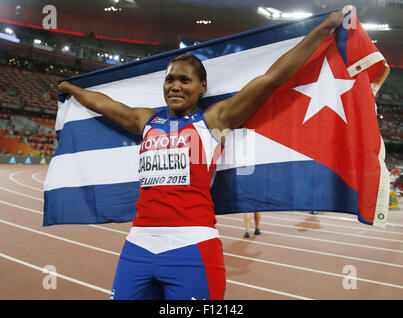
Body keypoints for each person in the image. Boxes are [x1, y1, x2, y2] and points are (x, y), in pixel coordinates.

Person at [58, 8, 348, 300]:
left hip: (192, 246)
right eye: (170, 79)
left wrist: (323, 29)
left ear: (202, 87)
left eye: (185, 80)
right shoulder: (146, 120)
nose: (175, 86)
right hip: (139, 244)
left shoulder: (214, 121)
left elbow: (271, 78)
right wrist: (70, 87)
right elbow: (104, 104)